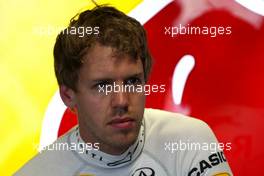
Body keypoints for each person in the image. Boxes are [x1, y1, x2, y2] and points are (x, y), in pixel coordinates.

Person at [15, 5, 233, 176]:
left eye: (132, 82)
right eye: (102, 86)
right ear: (68, 96)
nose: (121, 100)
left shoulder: (189, 139)